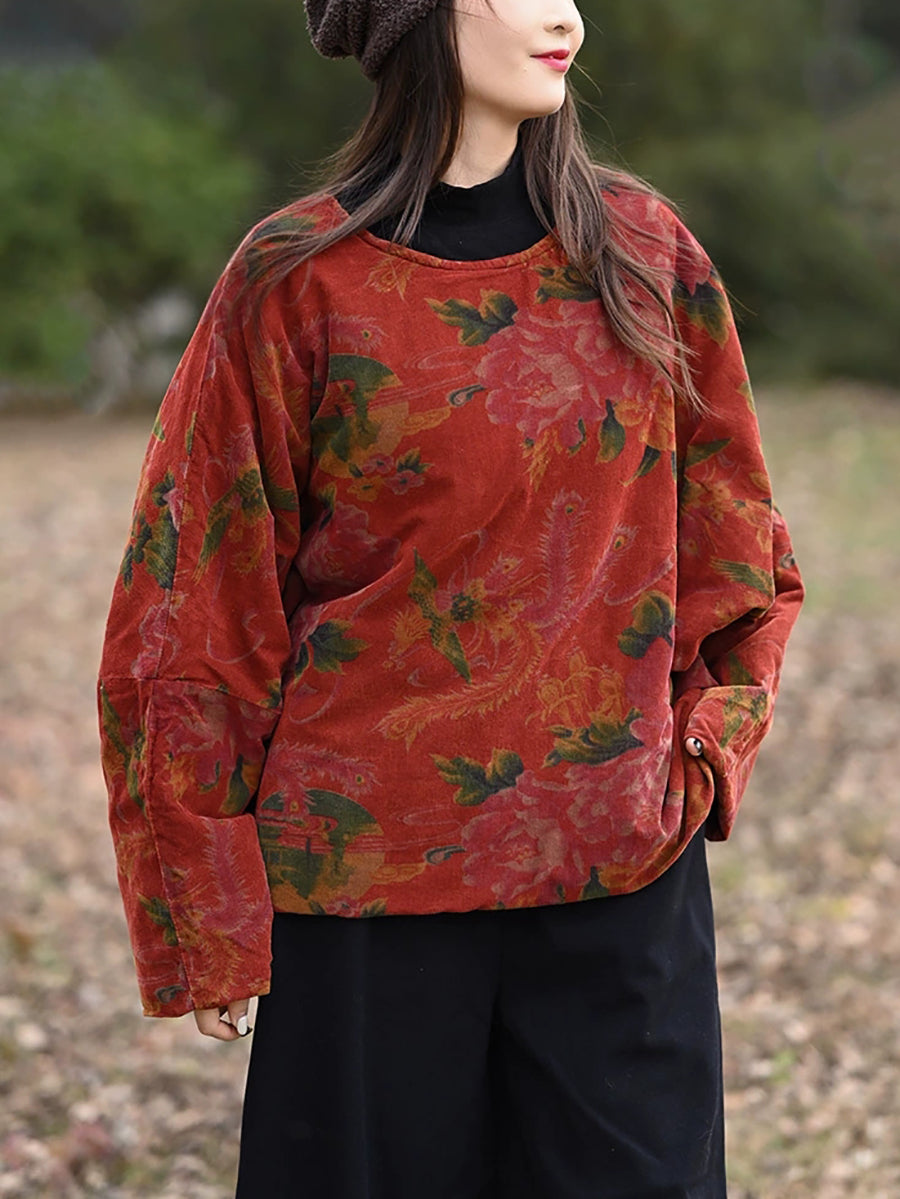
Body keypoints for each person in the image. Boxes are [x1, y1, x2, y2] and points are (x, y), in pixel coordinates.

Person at [96, 1, 805, 1195]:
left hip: (618, 884)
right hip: (364, 898)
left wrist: (700, 755)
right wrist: (204, 909)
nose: (565, 13)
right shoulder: (296, 279)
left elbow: (738, 551)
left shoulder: (646, 254)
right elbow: (193, 601)